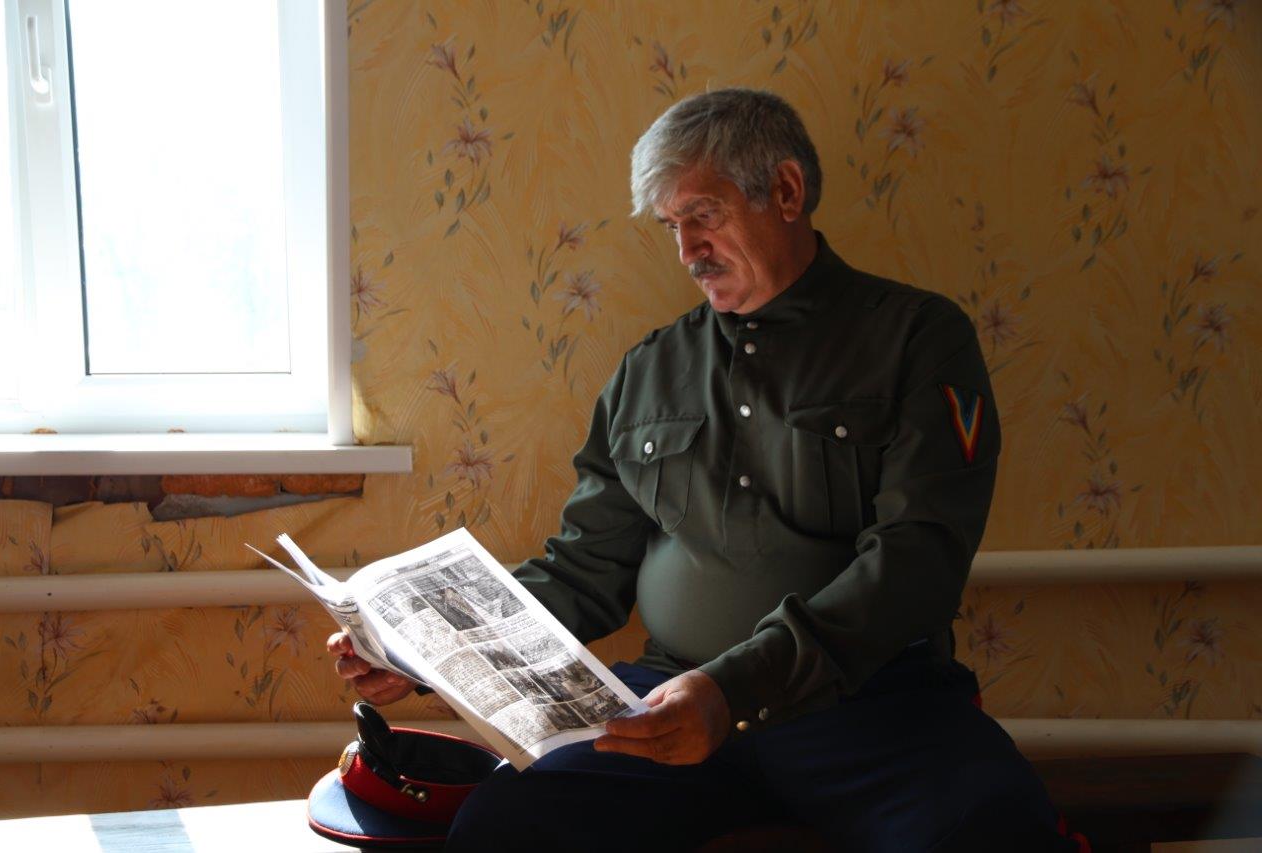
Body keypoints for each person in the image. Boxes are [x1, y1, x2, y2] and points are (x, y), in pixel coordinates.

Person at [329, 88, 1074, 851]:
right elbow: (586, 570)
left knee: (995, 828)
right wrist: (422, 652)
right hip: (664, 706)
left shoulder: (917, 338)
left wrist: (735, 688)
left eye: (704, 215)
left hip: (874, 707)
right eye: (670, 226)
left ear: (787, 191)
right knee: (501, 828)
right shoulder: (648, 372)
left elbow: (920, 558)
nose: (687, 251)